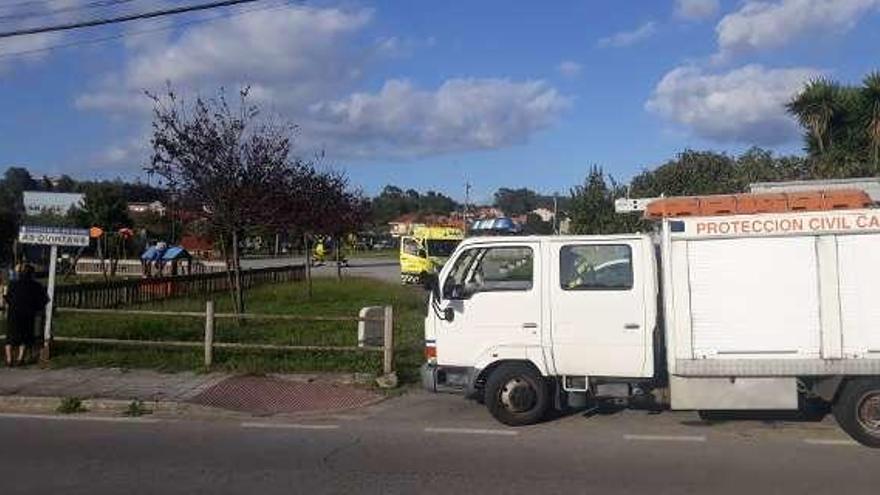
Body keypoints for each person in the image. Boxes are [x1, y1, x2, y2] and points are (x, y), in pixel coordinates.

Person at [3, 264, 49, 367]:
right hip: (28, 313)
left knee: (10, 336)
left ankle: (9, 359)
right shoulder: (36, 286)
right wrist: (37, 308)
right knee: (25, 337)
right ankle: (20, 359)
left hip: (14, 313)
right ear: (32, 274)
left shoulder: (13, 284)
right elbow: (44, 300)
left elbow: (7, 298)